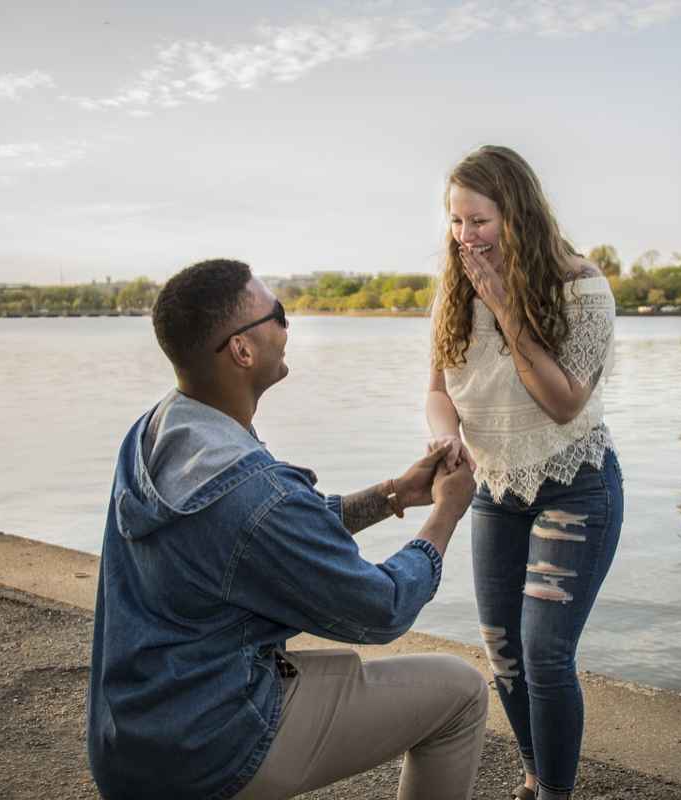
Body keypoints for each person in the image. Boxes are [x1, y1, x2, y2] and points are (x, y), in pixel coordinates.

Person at [87, 258, 488, 800]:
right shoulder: (252, 492)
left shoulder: (155, 433)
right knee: (461, 691)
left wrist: (394, 494)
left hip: (131, 739)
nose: (287, 324)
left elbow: (263, 539)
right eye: (276, 314)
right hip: (206, 750)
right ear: (242, 351)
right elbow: (382, 608)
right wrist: (446, 514)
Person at [426, 146, 624, 800]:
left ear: (518, 215)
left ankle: (555, 795)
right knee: (503, 653)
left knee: (543, 654)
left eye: (478, 221)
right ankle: (539, 777)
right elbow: (436, 391)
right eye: (456, 222)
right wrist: (444, 437)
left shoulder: (581, 287)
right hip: (496, 490)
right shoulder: (452, 292)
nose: (465, 237)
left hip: (576, 485)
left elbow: (564, 401)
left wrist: (508, 309)